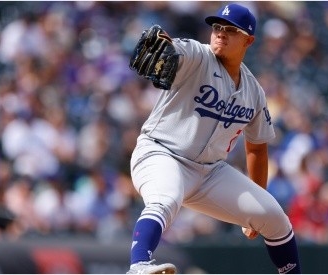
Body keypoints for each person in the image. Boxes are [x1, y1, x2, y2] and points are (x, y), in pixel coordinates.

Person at [127, 3, 301, 274]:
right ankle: (138, 265)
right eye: (217, 27)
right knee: (166, 197)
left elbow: (257, 148)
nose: (220, 33)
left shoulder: (253, 91)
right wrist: (170, 50)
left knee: (273, 217)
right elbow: (177, 49)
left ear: (248, 40)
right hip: (161, 154)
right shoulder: (197, 55)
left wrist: (255, 202)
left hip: (209, 173)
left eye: (231, 30)